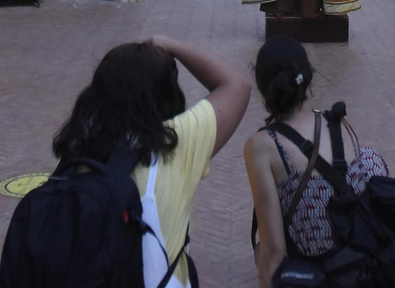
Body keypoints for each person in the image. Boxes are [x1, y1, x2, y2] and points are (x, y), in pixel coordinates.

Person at [52, 35, 251, 287]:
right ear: (167, 94)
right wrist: (169, 44)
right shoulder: (174, 145)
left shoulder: (78, 147)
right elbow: (237, 85)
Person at [245, 36, 391, 287]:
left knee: (261, 251)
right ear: (307, 80)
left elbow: (274, 252)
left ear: (262, 86)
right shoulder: (338, 121)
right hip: (362, 264)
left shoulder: (262, 146)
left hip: (320, 271)